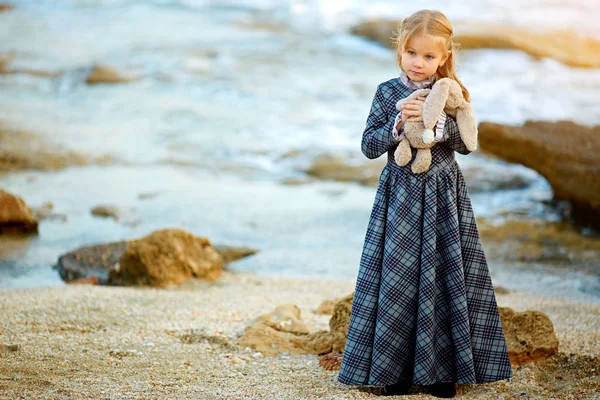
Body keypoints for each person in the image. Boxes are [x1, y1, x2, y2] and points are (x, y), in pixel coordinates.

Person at [336, 9, 513, 399]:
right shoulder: (386, 92)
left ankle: (441, 373)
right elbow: (368, 146)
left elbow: (467, 144)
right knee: (397, 278)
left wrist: (435, 122)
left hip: (442, 198)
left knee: (444, 274)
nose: (419, 63)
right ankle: (394, 370)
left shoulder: (452, 92)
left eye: (429, 57)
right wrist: (398, 124)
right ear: (400, 50)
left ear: (444, 56)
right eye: (412, 53)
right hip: (399, 197)